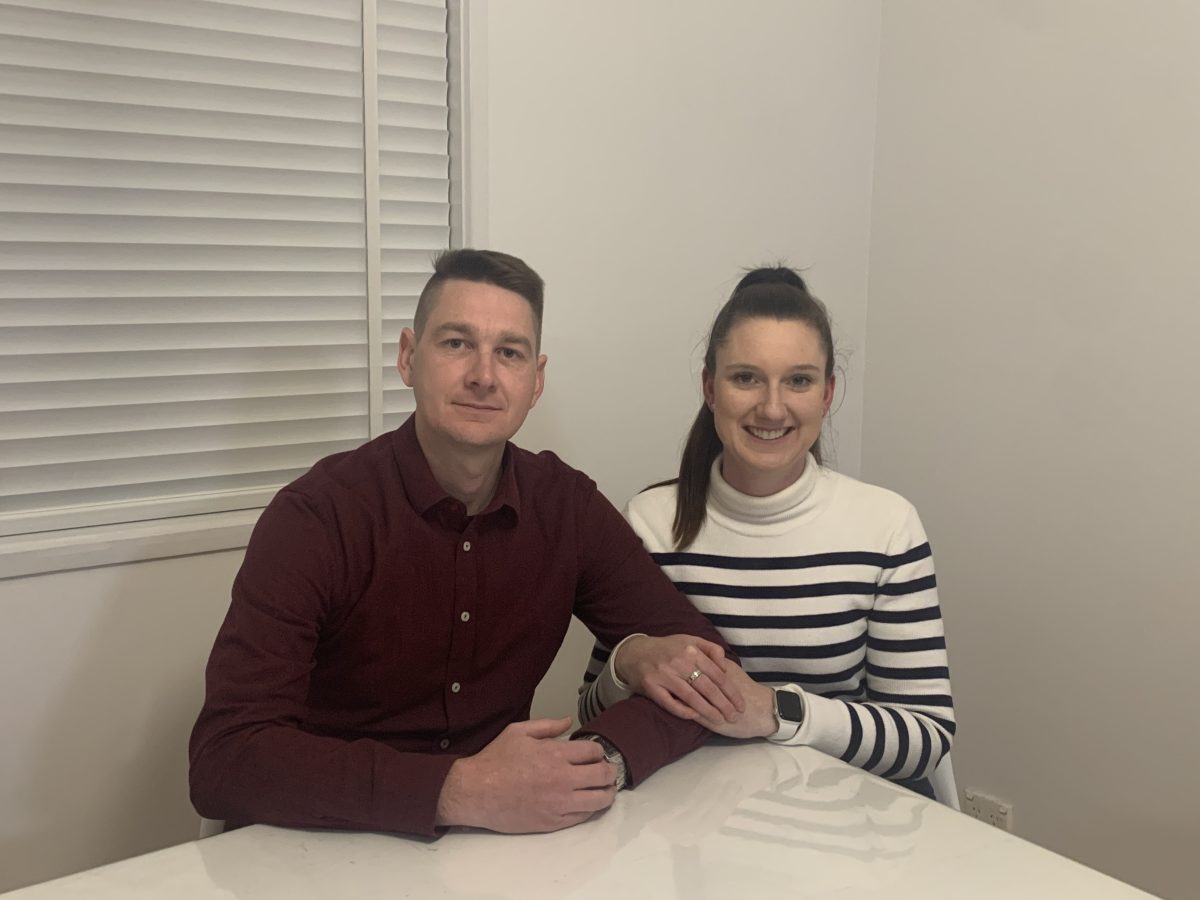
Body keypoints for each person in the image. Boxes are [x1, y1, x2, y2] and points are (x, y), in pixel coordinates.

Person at [189, 249, 746, 838]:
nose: (484, 374)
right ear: (408, 357)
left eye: (509, 352)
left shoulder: (567, 507)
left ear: (536, 380)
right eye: (456, 343)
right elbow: (226, 759)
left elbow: (710, 671)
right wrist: (454, 789)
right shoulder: (317, 517)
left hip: (492, 852)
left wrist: (600, 760)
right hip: (320, 843)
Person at [579, 267, 954, 796]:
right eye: (746, 378)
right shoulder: (649, 523)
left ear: (827, 394)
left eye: (798, 380)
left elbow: (926, 735)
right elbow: (591, 705)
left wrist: (775, 712)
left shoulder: (886, 527)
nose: (772, 407)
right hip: (687, 827)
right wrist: (628, 664)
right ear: (710, 388)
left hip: (838, 835)